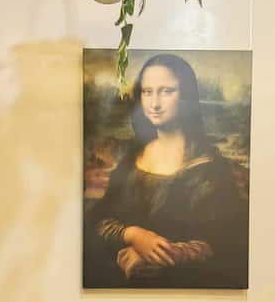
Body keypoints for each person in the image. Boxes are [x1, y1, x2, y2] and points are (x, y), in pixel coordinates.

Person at [83, 53, 249, 289]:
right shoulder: (131, 157)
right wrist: (133, 235)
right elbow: (98, 221)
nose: (155, 103)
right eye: (147, 92)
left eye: (167, 91)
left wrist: (157, 255)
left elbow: (224, 244)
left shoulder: (210, 169)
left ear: (186, 96)